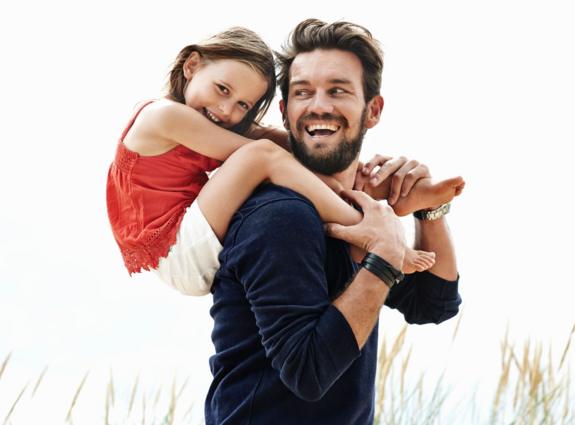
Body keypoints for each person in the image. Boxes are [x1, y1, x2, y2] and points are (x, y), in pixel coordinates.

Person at [205, 19, 463, 425]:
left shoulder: (357, 212)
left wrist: (426, 211)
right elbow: (308, 372)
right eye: (302, 92)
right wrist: (385, 254)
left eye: (337, 90)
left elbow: (433, 303)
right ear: (285, 112)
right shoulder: (280, 214)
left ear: (372, 110)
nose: (319, 105)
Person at [106, 27, 464, 296]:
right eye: (223, 89)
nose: (227, 110)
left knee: (286, 152)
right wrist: (335, 185)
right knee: (262, 156)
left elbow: (282, 140)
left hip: (189, 238)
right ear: (192, 65)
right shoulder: (165, 116)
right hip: (177, 249)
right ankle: (372, 231)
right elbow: (265, 152)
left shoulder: (204, 120)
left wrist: (362, 170)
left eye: (244, 105)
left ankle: (394, 194)